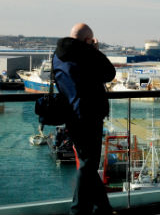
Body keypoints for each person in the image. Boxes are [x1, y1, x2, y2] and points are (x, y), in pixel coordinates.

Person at [53, 23, 116, 215]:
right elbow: (109, 73)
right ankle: (77, 210)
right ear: (88, 40)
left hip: (71, 116)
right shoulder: (86, 53)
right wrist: (95, 50)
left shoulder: (57, 55)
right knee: (88, 167)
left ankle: (102, 209)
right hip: (90, 116)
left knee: (86, 163)